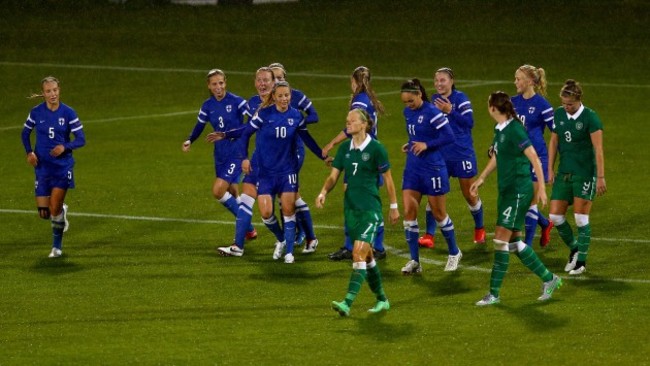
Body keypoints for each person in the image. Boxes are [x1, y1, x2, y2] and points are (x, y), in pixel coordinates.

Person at [210, 81, 328, 263]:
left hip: (287, 169)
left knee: (289, 208)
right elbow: (246, 132)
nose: (284, 99)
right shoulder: (263, 114)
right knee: (266, 212)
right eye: (280, 96)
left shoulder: (296, 116)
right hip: (265, 171)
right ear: (274, 97)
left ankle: (290, 251)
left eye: (287, 95)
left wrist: (323, 156)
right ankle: (281, 239)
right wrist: (244, 157)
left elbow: (307, 138)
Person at [471, 91, 562, 306]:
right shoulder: (500, 128)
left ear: (493, 108)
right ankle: (550, 279)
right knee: (513, 243)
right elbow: (497, 155)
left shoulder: (515, 130)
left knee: (499, 240)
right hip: (507, 190)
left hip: (518, 191)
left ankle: (493, 293)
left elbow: (535, 159)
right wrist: (482, 177)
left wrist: (541, 188)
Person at [316, 108, 400, 316]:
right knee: (368, 257)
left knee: (357, 253)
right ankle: (382, 299)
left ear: (363, 124)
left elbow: (388, 179)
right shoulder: (345, 149)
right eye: (347, 121)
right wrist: (323, 192)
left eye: (351, 121)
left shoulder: (376, 149)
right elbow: (334, 176)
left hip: (370, 210)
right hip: (351, 210)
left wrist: (393, 206)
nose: (348, 124)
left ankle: (347, 302)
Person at [181, 69, 257, 243]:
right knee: (231, 190)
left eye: (221, 83)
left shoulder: (237, 101)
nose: (218, 87)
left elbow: (252, 122)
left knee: (218, 191)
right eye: (214, 84)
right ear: (209, 86)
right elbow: (200, 125)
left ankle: (247, 224)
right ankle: (250, 230)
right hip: (220, 154)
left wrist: (229, 134)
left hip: (237, 152)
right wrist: (190, 139)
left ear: (225, 83)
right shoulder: (207, 106)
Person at [322, 66, 389, 261]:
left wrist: (331, 144)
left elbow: (350, 129)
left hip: (363, 158)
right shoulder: (369, 99)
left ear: (355, 81)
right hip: (366, 155)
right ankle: (375, 246)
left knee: (356, 203)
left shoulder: (359, 101)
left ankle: (356, 246)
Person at [399, 78, 462, 273]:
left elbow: (449, 136)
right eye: (405, 102)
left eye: (411, 100)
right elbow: (417, 135)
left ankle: (454, 252)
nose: (408, 105)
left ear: (419, 94)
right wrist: (411, 145)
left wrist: (427, 145)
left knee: (439, 214)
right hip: (413, 167)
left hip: (433, 168)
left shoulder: (432, 112)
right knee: (409, 213)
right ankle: (415, 261)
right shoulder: (407, 113)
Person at [418, 67, 485, 249]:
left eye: (443, 80)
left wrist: (450, 110)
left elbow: (469, 122)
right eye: (436, 81)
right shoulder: (433, 100)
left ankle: (479, 228)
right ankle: (429, 235)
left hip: (462, 153)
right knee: (434, 194)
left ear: (451, 81)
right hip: (441, 155)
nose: (439, 84)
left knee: (469, 195)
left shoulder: (461, 99)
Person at [21, 76, 86, 258]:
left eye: (55, 90)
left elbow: (81, 139)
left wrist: (65, 146)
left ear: (59, 90)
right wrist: (29, 153)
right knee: (44, 212)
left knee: (54, 208)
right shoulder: (36, 113)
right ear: (43, 93)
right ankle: (61, 212)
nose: (53, 94)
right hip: (42, 167)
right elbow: (25, 134)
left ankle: (56, 248)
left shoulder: (68, 113)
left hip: (62, 167)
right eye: (49, 91)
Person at [548, 79, 606, 275]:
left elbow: (598, 149)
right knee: (555, 216)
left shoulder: (591, 118)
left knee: (581, 219)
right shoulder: (559, 114)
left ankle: (581, 262)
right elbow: (554, 142)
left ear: (579, 100)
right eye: (564, 104)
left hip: (584, 174)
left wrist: (600, 177)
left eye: (570, 104)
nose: (566, 107)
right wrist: (549, 168)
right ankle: (574, 248)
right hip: (564, 172)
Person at [268, 63, 320, 253]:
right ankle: (299, 234)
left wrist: (298, 123)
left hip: (294, 151)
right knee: (285, 197)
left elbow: (314, 115)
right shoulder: (269, 100)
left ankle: (307, 236)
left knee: (288, 195)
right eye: (274, 78)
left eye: (281, 77)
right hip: (276, 156)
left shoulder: (295, 96)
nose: (278, 81)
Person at [512, 64, 555, 248]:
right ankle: (545, 224)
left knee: (530, 202)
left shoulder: (542, 105)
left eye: (518, 79)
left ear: (529, 81)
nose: (515, 82)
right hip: (519, 158)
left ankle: (527, 246)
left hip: (537, 158)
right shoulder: (513, 102)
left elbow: (556, 130)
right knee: (522, 201)